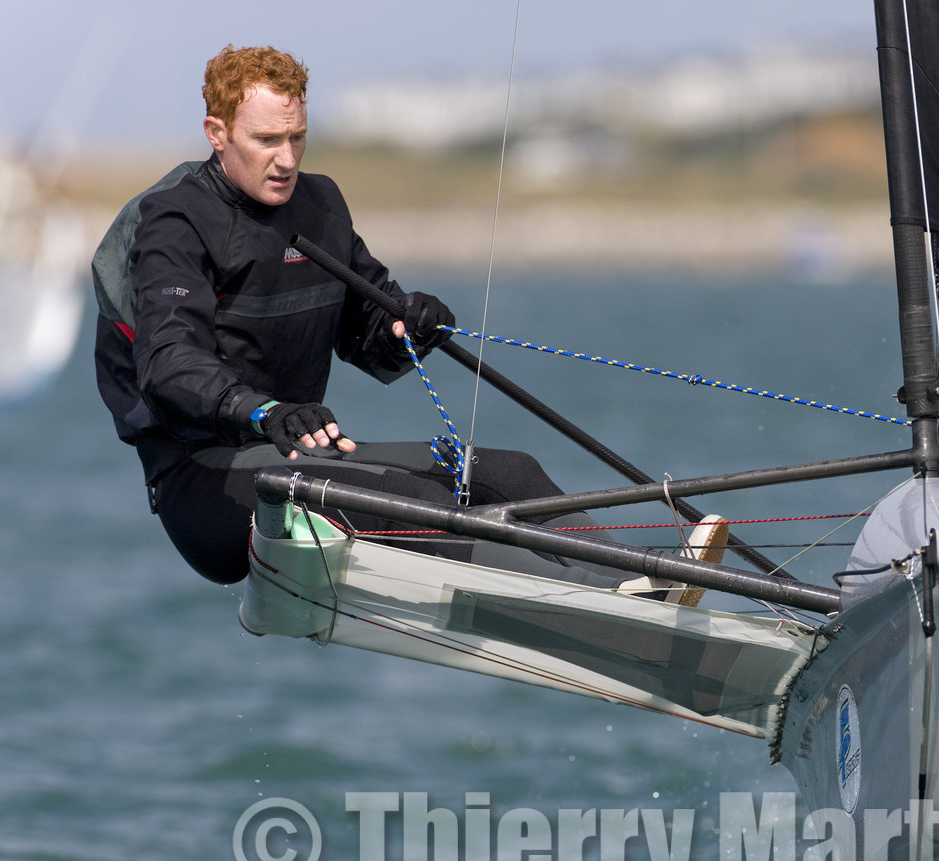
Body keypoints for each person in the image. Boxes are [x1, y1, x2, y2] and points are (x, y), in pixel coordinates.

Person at [94, 45, 726, 598]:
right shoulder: (176, 221)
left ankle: (639, 582)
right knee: (416, 502)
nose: (286, 159)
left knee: (508, 471)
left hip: (301, 455)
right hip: (208, 485)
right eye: (266, 141)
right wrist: (263, 411)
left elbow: (369, 329)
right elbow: (169, 362)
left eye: (297, 138)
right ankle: (606, 600)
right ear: (217, 132)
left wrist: (409, 325)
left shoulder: (319, 204)